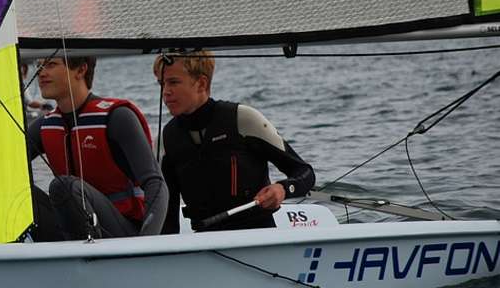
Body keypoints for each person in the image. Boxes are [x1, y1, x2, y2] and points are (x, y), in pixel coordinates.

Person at [154, 52, 314, 233]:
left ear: (201, 83)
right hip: (204, 245)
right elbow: (167, 216)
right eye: (161, 84)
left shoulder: (243, 119)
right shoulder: (165, 140)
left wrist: (283, 189)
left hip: (258, 238)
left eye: (173, 82)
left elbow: (305, 172)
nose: (165, 92)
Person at [26, 55, 168, 240]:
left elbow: (156, 183)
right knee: (20, 190)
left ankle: (86, 257)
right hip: (75, 234)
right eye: (39, 66)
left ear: (81, 70)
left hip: (123, 233)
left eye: (50, 65)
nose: (41, 73)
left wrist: (147, 242)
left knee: (64, 187)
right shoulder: (44, 126)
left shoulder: (117, 117)